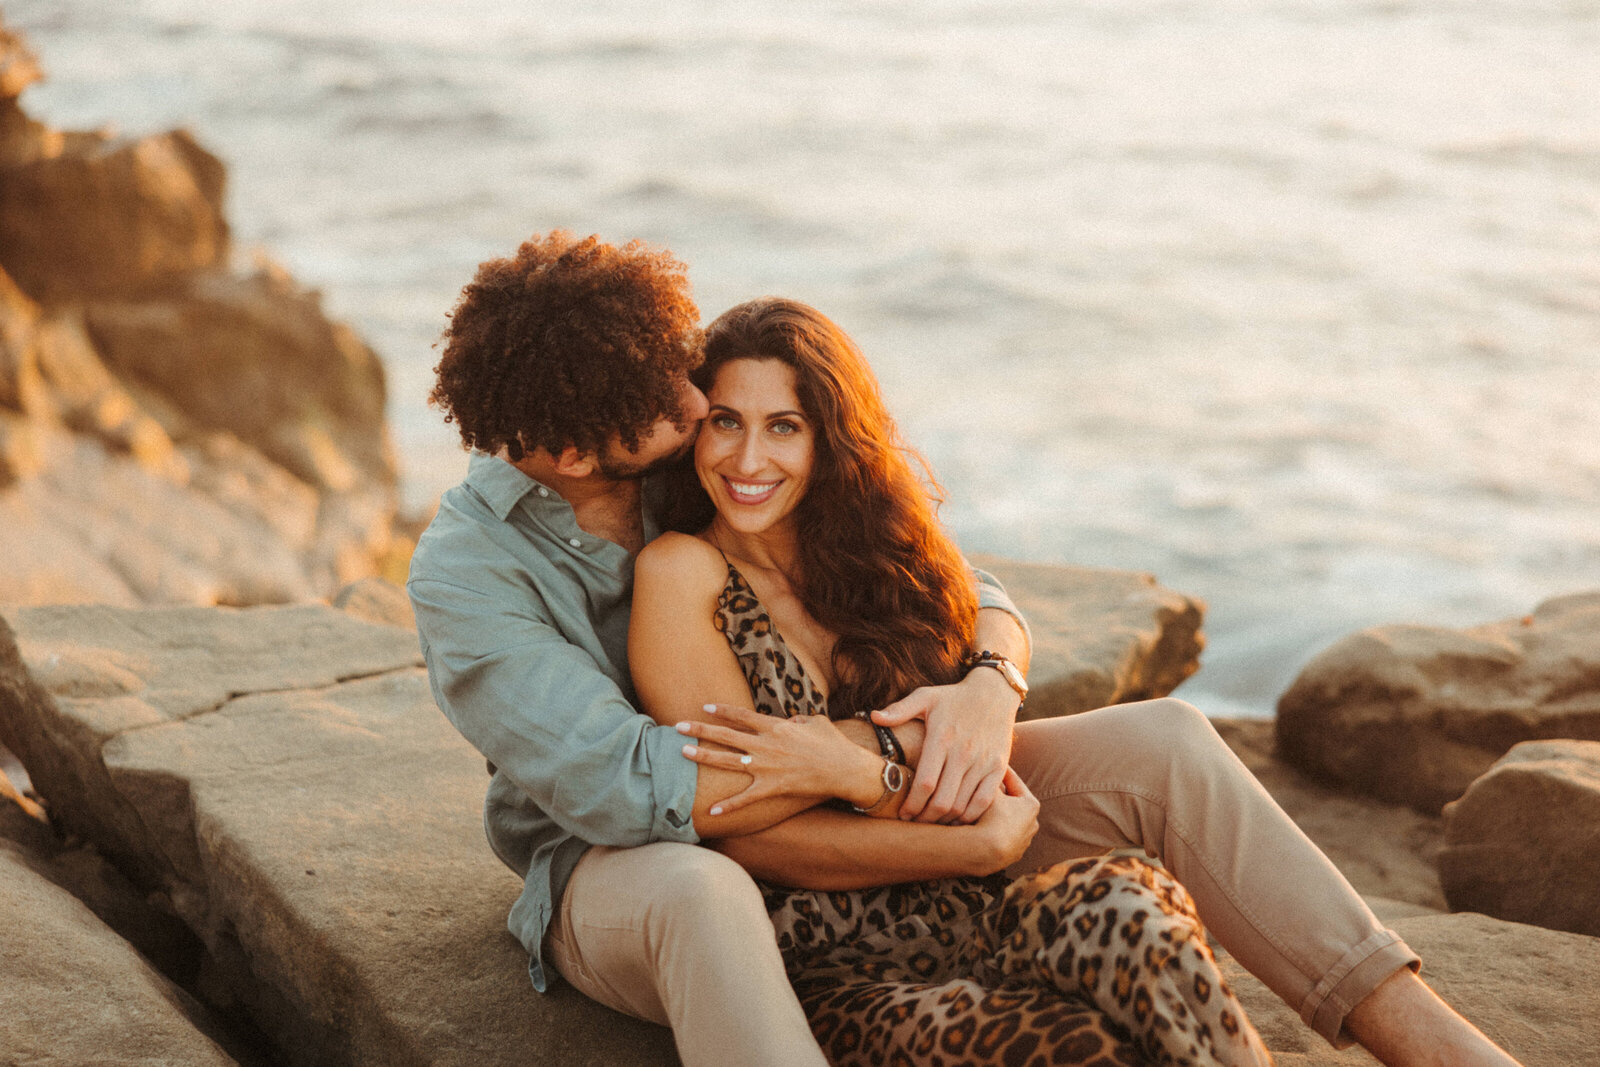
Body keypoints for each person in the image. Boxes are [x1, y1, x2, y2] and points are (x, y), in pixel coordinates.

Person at [409, 233, 1521, 1067]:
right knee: (702, 889)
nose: (699, 400)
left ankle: (1426, 1036)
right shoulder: (469, 573)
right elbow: (650, 786)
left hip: (849, 804)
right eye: (670, 397)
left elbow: (953, 577)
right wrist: (898, 782)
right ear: (560, 447)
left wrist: (990, 684)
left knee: (1167, 739)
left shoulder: (686, 443)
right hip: (620, 869)